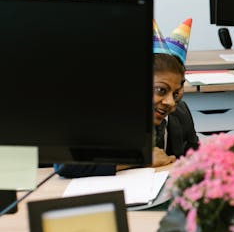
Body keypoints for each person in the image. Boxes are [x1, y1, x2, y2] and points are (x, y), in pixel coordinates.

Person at [56, 19, 199, 178]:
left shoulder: (181, 113)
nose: (171, 102)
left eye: (176, 92)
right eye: (161, 90)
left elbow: (195, 154)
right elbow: (65, 164)